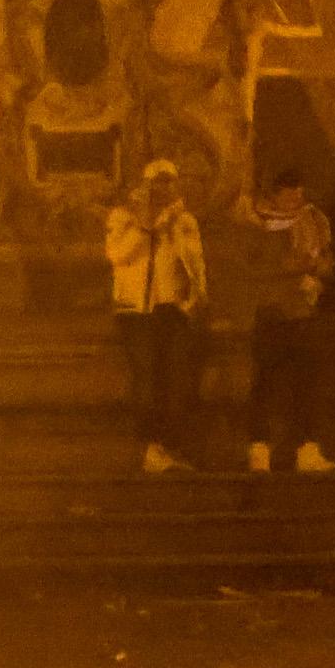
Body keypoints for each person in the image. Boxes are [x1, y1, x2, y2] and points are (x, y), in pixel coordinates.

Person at [105, 159, 209, 473]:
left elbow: (196, 262)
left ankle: (170, 445)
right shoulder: (123, 218)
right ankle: (151, 446)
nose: (164, 189)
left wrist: (197, 299)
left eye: (170, 182)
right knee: (147, 377)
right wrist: (146, 226)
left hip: (171, 309)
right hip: (136, 311)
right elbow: (117, 255)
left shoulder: (185, 220)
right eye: (157, 182)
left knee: (177, 380)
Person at [236, 166, 335, 475]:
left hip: (306, 311)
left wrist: (321, 271)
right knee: (265, 382)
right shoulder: (258, 224)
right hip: (273, 311)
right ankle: (259, 449)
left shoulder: (315, 219)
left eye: (299, 193)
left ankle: (307, 449)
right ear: (274, 195)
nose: (296, 199)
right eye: (289, 194)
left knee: (308, 382)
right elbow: (253, 267)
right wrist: (293, 267)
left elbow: (328, 256)